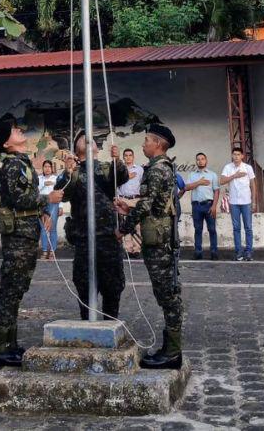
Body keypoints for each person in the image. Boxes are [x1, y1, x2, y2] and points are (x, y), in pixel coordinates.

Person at [114, 124, 183, 370]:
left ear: (158, 144)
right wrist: (130, 206)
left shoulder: (156, 170)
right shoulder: (162, 167)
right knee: (166, 292)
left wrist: (123, 228)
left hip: (159, 242)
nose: (143, 145)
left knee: (168, 293)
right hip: (161, 237)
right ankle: (171, 347)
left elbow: (146, 205)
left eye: (146, 141)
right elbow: (153, 204)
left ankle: (173, 352)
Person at [0, 119, 50, 367]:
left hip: (26, 234)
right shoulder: (13, 164)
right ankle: (3, 347)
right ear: (6, 143)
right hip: (17, 236)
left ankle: (11, 343)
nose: (20, 131)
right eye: (15, 130)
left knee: (19, 287)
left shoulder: (22, 162)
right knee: (11, 289)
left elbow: (28, 198)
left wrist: (44, 209)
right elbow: (19, 198)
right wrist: (47, 197)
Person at [51, 136, 127, 320]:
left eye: (90, 139)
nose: (87, 140)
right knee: (84, 284)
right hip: (84, 237)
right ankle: (87, 323)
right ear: (76, 151)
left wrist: (118, 160)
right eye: (83, 139)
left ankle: (111, 323)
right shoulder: (74, 172)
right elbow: (62, 193)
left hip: (108, 236)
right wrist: (68, 172)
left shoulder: (107, 168)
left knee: (112, 285)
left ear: (97, 148)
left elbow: (121, 177)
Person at [221, 146, 258, 261]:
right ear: (232, 156)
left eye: (238, 154)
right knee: (236, 228)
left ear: (242, 156)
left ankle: (248, 252)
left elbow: (253, 185)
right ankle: (238, 252)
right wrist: (234, 176)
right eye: (234, 154)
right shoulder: (228, 167)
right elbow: (222, 181)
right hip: (234, 202)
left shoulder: (248, 168)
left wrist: (254, 202)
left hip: (246, 202)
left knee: (248, 228)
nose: (236, 157)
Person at [187, 152, 221, 260]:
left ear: (206, 161)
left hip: (209, 205)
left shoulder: (212, 175)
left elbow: (216, 191)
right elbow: (187, 187)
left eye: (202, 159)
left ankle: (214, 252)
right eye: (198, 159)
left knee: (212, 229)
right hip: (196, 206)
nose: (200, 161)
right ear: (196, 161)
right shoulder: (192, 175)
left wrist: (214, 206)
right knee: (198, 229)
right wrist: (199, 182)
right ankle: (198, 252)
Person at [38, 160, 60, 259]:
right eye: (45, 166)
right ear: (43, 168)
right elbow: (35, 191)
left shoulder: (56, 179)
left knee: (52, 227)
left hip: (53, 204)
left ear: (52, 168)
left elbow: (60, 193)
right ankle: (44, 251)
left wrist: (61, 206)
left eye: (49, 167)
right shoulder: (39, 178)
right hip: (42, 203)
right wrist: (44, 185)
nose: (47, 169)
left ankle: (52, 251)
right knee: (43, 227)